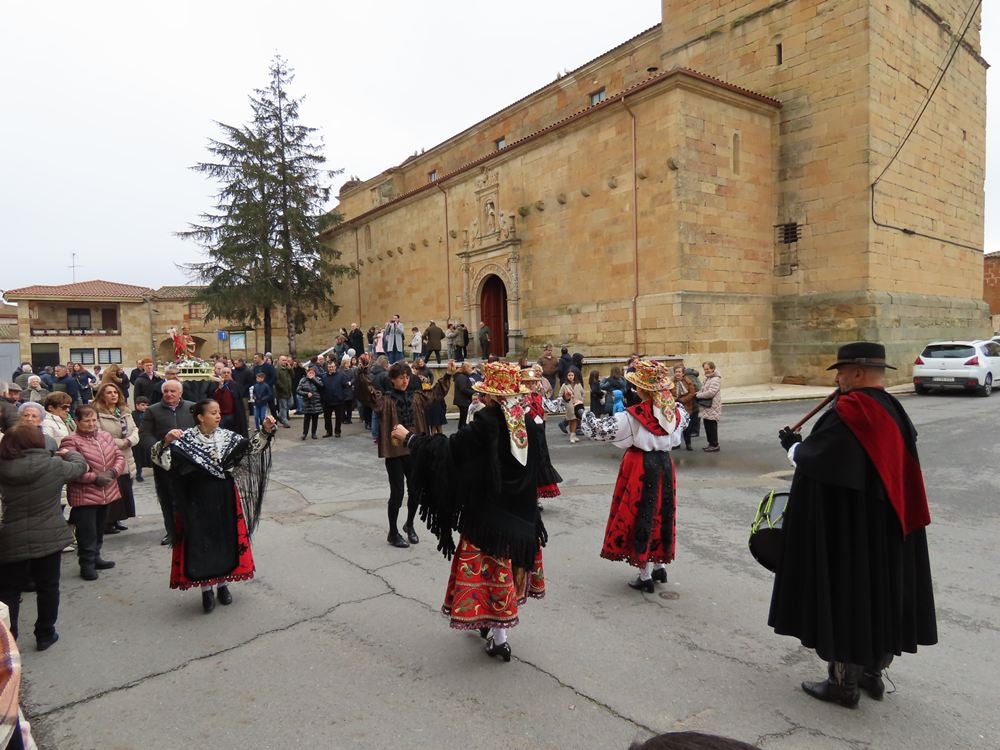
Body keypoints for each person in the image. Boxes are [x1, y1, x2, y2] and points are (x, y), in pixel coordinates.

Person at [770, 341, 937, 708]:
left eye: (841, 371)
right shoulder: (893, 409)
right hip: (889, 527)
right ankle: (872, 675)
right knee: (881, 596)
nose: (839, 378)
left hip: (851, 530)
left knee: (850, 596)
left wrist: (794, 447)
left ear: (858, 372)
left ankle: (843, 685)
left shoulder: (852, 411)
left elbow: (821, 461)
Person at [390, 361, 546, 662]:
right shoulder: (526, 419)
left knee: (493, 572)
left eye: (486, 394)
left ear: (492, 396)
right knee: (505, 570)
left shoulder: (488, 421)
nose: (484, 399)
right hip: (522, 515)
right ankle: (495, 633)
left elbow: (450, 452)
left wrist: (410, 438)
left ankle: (499, 638)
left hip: (489, 517)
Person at [152, 400, 276, 613]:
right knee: (201, 541)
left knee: (224, 538)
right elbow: (161, 460)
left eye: (219, 412)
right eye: (213, 412)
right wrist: (165, 441)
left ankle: (223, 585)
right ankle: (206, 589)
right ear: (200, 417)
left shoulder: (227, 437)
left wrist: (265, 430)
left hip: (224, 494)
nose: (218, 416)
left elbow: (250, 449)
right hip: (196, 497)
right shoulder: (186, 438)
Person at [580, 360, 688, 592]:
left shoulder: (634, 415)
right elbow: (682, 424)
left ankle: (645, 573)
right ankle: (659, 565)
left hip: (640, 464)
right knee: (662, 510)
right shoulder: (675, 412)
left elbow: (600, 430)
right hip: (665, 465)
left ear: (642, 390)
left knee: (641, 513)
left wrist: (583, 413)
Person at [0, 424, 87, 651]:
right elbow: (80, 467)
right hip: (49, 536)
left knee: (9, 591)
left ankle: (9, 638)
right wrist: (70, 452)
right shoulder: (54, 465)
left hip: (10, 535)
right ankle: (45, 633)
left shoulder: (3, 468)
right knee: (48, 586)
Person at [356, 359, 454, 548]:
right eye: (401, 377)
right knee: (397, 493)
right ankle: (393, 532)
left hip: (414, 450)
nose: (405, 380)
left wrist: (448, 375)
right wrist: (361, 372)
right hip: (394, 453)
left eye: (407, 376)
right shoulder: (385, 400)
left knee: (416, 490)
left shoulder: (417, 397)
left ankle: (409, 525)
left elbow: (435, 394)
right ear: (392, 379)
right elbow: (366, 394)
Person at [61, 405, 126, 581]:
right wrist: (94, 477)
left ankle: (96, 558)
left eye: (94, 420)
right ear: (77, 421)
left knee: (98, 530)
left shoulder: (105, 436)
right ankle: (86, 564)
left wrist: (112, 473)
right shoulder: (70, 441)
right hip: (85, 495)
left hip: (107, 491)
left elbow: (119, 456)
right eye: (87, 420)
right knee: (86, 533)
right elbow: (71, 469)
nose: (91, 424)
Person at [140, 381, 196, 545]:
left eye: (173, 391)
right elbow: (145, 434)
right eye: (166, 391)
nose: (169, 394)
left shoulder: (192, 407)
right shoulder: (153, 410)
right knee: (167, 497)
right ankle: (172, 532)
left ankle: (192, 529)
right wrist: (159, 447)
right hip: (164, 461)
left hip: (189, 460)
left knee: (191, 496)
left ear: (180, 393)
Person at [93, 382, 138, 534]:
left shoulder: (124, 411)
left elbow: (135, 429)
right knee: (111, 488)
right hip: (109, 455)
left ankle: (117, 519)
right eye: (109, 393)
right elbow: (99, 434)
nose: (113, 395)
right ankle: (107, 521)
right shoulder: (97, 413)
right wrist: (122, 443)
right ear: (101, 395)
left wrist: (131, 440)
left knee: (124, 488)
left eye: (115, 392)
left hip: (127, 454)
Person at [694, 361, 722, 452]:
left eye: (708, 369)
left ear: (713, 368)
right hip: (707, 406)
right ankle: (711, 443)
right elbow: (704, 390)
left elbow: (711, 393)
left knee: (712, 426)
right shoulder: (708, 378)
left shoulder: (715, 379)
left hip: (712, 406)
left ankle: (715, 445)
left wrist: (698, 395)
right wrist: (698, 393)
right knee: (708, 426)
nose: (706, 371)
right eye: (705, 369)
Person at [672, 364, 699, 451]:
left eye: (679, 372)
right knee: (676, 427)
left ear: (683, 373)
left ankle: (688, 444)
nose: (678, 373)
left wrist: (682, 400)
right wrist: (675, 399)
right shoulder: (670, 382)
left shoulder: (688, 381)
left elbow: (692, 393)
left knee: (687, 427)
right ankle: (676, 443)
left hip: (686, 407)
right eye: (676, 372)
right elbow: (668, 393)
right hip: (675, 407)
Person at [320, 361, 349, 438]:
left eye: (332, 367)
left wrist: (342, 397)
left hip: (338, 401)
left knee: (338, 418)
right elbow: (321, 388)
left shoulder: (341, 376)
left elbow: (345, 386)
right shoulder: (324, 377)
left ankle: (337, 431)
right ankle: (328, 432)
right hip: (327, 401)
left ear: (335, 367)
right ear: (327, 368)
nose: (331, 368)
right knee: (327, 418)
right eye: (329, 367)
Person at [296, 365, 323, 440]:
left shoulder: (318, 379)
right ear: (307, 373)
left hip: (316, 402)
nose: (311, 374)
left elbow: (321, 386)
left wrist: (313, 379)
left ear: (315, 373)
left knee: (315, 419)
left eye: (312, 373)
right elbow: (298, 390)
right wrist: (306, 394)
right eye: (309, 373)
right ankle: (304, 433)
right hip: (307, 403)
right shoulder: (303, 380)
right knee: (306, 419)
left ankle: (313, 433)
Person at [559, 370, 585, 443]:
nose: (570, 377)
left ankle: (573, 435)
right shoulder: (564, 385)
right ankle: (572, 436)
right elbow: (560, 395)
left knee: (576, 420)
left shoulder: (578, 384)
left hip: (578, 405)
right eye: (569, 375)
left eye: (572, 375)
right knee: (572, 420)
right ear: (567, 376)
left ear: (574, 376)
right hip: (569, 405)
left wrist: (581, 401)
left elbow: (583, 393)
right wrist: (566, 400)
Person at [131, 396, 150, 482]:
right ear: (137, 405)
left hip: (146, 438)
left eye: (146, 405)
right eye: (143, 405)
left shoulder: (149, 414)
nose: (145, 407)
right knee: (137, 458)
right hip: (137, 440)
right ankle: (138, 474)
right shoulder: (133, 415)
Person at [452, 362, 475, 429]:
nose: (471, 369)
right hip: (463, 400)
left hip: (462, 400)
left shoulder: (461, 376)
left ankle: (461, 431)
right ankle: (462, 432)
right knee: (464, 418)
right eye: (470, 367)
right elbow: (463, 389)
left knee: (463, 417)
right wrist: (474, 392)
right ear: (466, 368)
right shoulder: (462, 377)